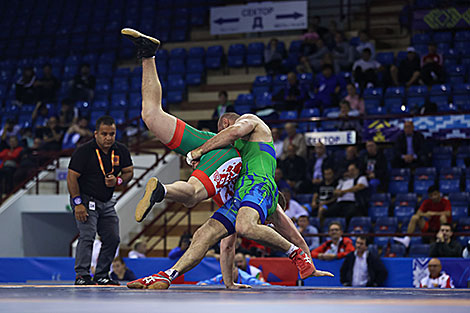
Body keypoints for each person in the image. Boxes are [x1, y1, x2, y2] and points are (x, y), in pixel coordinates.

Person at [120, 28, 333, 290]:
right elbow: (233, 133)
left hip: (221, 159)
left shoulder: (245, 201)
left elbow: (229, 242)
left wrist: (231, 281)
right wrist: (199, 152)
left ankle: (164, 200)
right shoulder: (249, 125)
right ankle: (163, 193)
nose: (264, 217)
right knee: (196, 193)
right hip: (230, 158)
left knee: (153, 118)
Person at [67, 115, 134, 285]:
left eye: (112, 134)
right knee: (87, 236)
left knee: (113, 238)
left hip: (107, 200)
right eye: (104, 134)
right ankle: (82, 275)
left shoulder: (121, 150)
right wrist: (77, 204)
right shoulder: (84, 151)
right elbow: (71, 177)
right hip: (85, 199)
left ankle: (102, 275)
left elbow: (129, 172)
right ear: (96, 133)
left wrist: (117, 181)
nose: (108, 138)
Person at [197, 265, 270, 286]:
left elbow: (265, 285)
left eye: (231, 271)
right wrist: (204, 284)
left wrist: (264, 285)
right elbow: (202, 283)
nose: (229, 274)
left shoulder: (246, 278)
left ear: (236, 270)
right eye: (226, 271)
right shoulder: (221, 277)